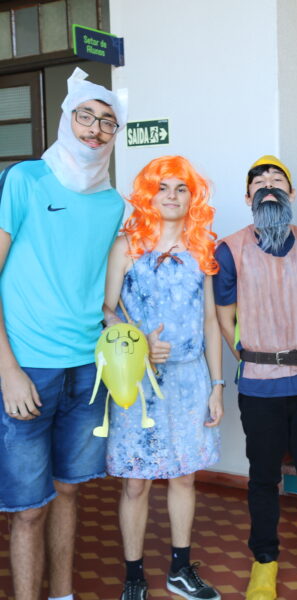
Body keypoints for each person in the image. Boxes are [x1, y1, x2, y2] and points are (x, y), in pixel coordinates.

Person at [0, 67, 126, 600]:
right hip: (28, 367)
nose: (95, 130)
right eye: (85, 117)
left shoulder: (113, 203)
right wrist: (7, 370)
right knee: (28, 509)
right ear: (65, 119)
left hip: (88, 371)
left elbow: (99, 286)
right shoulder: (25, 180)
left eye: (107, 122)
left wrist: (116, 323)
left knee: (70, 492)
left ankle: (63, 595)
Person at [214, 155, 297, 600]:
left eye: (277, 180)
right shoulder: (230, 250)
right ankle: (264, 560)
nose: (268, 186)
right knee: (263, 475)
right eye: (259, 182)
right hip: (258, 386)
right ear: (247, 196)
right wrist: (256, 358)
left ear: (292, 194)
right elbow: (224, 317)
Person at [102, 156, 224, 600]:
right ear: (148, 195)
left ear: (193, 197)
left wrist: (217, 386)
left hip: (190, 379)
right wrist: (137, 342)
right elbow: (106, 310)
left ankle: (180, 570)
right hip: (137, 381)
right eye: (162, 187)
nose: (171, 196)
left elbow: (210, 321)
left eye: (181, 188)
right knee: (136, 480)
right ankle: (134, 575)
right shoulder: (126, 246)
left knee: (185, 476)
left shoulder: (203, 247)